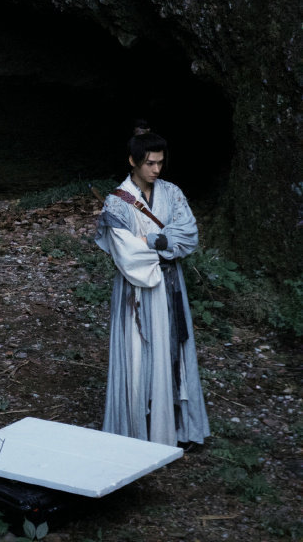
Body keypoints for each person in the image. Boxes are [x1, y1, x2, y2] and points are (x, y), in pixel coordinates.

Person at [95, 122, 210, 447]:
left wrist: (154, 239)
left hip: (171, 285)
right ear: (133, 161)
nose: (156, 169)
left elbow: (189, 235)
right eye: (149, 163)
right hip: (136, 288)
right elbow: (126, 252)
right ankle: (137, 431)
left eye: (160, 162)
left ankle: (179, 430)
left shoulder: (172, 193)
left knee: (174, 351)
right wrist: (166, 243)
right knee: (138, 354)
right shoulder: (116, 203)